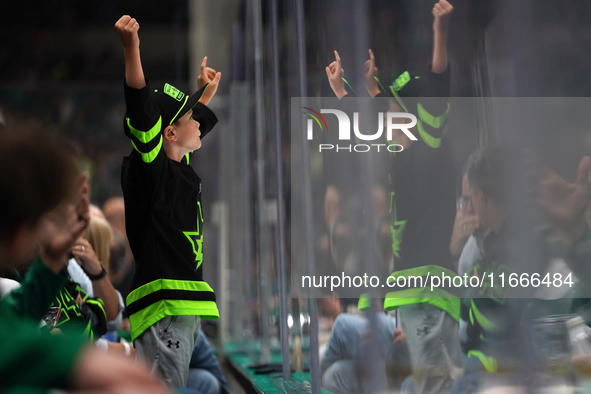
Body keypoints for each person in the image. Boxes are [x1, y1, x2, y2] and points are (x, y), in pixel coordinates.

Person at [0, 123, 168, 393]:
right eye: (47, 217)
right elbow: (26, 337)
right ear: (22, 232)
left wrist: (53, 259)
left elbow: (18, 314)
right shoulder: (11, 279)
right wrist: (75, 359)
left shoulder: (53, 268)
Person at [114, 14, 222, 387]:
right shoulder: (153, 170)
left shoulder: (180, 162)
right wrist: (132, 49)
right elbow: (143, 110)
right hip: (164, 305)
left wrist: (203, 94)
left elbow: (195, 126)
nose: (200, 120)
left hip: (182, 306)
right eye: (190, 115)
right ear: (169, 132)